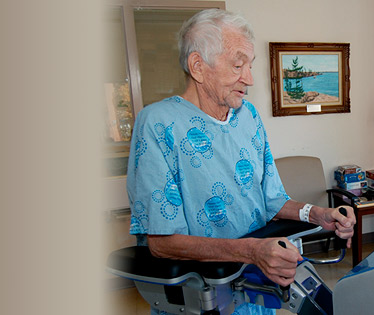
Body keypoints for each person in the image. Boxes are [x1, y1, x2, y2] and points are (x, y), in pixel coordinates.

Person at [126, 9, 355, 315]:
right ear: (198, 66)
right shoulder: (158, 124)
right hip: (200, 298)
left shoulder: (248, 117)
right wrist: (250, 250)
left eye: (250, 66)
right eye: (237, 65)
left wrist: (317, 214)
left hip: (252, 286)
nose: (248, 79)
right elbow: (162, 241)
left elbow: (272, 200)